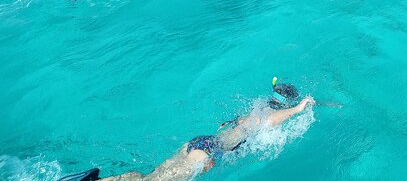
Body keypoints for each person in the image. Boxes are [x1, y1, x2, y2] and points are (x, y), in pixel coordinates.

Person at [58, 79, 316, 181]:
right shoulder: (266, 115)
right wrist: (299, 109)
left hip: (200, 143)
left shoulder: (253, 109)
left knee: (150, 176)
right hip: (206, 152)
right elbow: (274, 120)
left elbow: (230, 126)